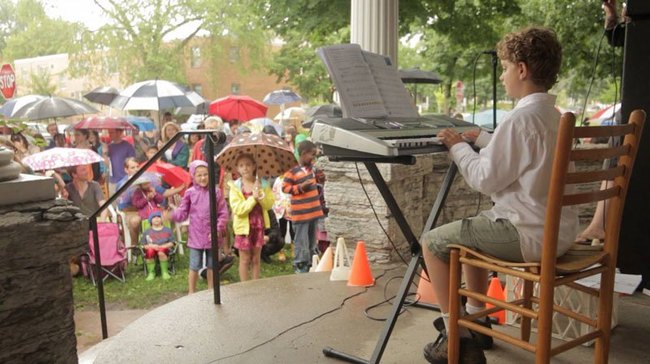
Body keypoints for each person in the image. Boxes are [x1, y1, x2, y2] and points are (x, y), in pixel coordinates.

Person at [419, 27, 578, 364]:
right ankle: (477, 324)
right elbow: (526, 154)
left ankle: (457, 341)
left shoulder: (519, 118)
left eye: (505, 67)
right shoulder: (554, 116)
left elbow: (483, 179)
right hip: (559, 233)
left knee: (432, 242)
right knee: (473, 234)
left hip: (528, 235)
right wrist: (482, 138)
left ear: (521, 69)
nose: (503, 76)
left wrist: (457, 145)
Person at [172, 160, 231, 294]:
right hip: (196, 236)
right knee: (194, 265)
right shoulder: (190, 193)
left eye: (205, 174)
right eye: (199, 175)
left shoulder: (216, 192)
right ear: (193, 176)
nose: (203, 178)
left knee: (212, 264)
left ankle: (211, 290)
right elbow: (182, 212)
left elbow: (223, 213)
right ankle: (191, 291)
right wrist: (172, 214)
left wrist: (218, 228)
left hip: (213, 236)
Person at [228, 154, 275, 281]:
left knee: (255, 258)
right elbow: (238, 209)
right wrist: (253, 199)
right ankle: (245, 286)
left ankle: (255, 284)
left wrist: (261, 196)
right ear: (237, 168)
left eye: (248, 164)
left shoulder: (262, 184)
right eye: (241, 165)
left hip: (258, 225)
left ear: (254, 166)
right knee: (244, 259)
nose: (245, 168)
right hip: (243, 227)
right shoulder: (235, 187)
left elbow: (269, 204)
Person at [282, 140, 324, 273]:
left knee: (312, 240)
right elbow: (285, 188)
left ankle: (312, 261)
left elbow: (319, 181)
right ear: (304, 154)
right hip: (301, 214)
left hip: (314, 212)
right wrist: (300, 188)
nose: (313, 158)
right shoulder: (292, 171)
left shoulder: (312, 169)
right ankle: (300, 264)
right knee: (301, 240)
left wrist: (321, 177)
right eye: (312, 155)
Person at [140, 211, 175, 281]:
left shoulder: (167, 230)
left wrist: (163, 246)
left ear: (162, 219)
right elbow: (143, 245)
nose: (156, 218)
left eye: (158, 217)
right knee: (149, 251)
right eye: (154, 217)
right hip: (152, 248)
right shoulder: (147, 232)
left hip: (164, 249)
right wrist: (151, 246)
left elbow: (172, 243)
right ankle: (151, 272)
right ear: (150, 220)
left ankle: (164, 272)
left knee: (161, 252)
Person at [107, 128, 136, 195]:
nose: (109, 135)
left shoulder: (128, 146)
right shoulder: (109, 147)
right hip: (112, 181)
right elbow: (107, 164)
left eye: (112, 132)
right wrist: (105, 153)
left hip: (124, 180)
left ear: (119, 133)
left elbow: (133, 163)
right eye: (109, 133)